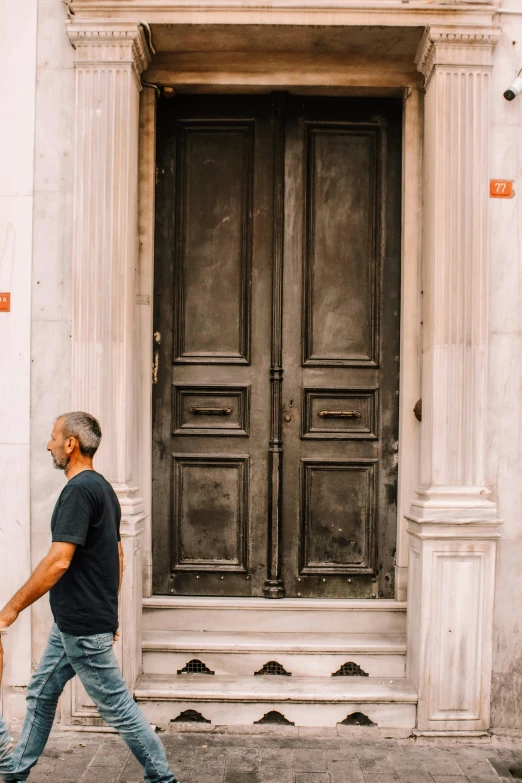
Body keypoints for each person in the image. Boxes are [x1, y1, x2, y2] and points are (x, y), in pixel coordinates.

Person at [0, 413, 179, 783]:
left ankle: (162, 779)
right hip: (75, 622)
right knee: (41, 692)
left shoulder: (79, 490)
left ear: (71, 444)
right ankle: (14, 772)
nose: (48, 444)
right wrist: (107, 613)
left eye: (53, 438)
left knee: (117, 708)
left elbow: (58, 560)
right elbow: (117, 555)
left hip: (81, 626)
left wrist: (10, 611)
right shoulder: (102, 487)